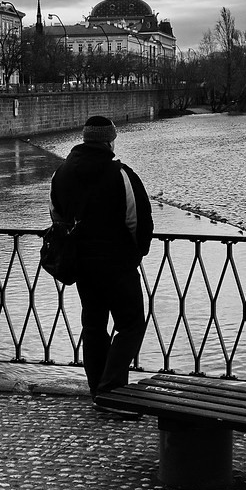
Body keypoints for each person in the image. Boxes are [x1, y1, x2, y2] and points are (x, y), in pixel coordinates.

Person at [49, 115, 154, 417]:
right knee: (131, 324)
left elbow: (57, 218)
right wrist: (137, 252)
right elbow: (138, 221)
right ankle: (112, 393)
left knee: (93, 326)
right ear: (110, 140)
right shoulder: (120, 174)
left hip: (82, 265)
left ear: (84, 139)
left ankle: (98, 391)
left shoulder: (61, 174)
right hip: (118, 264)